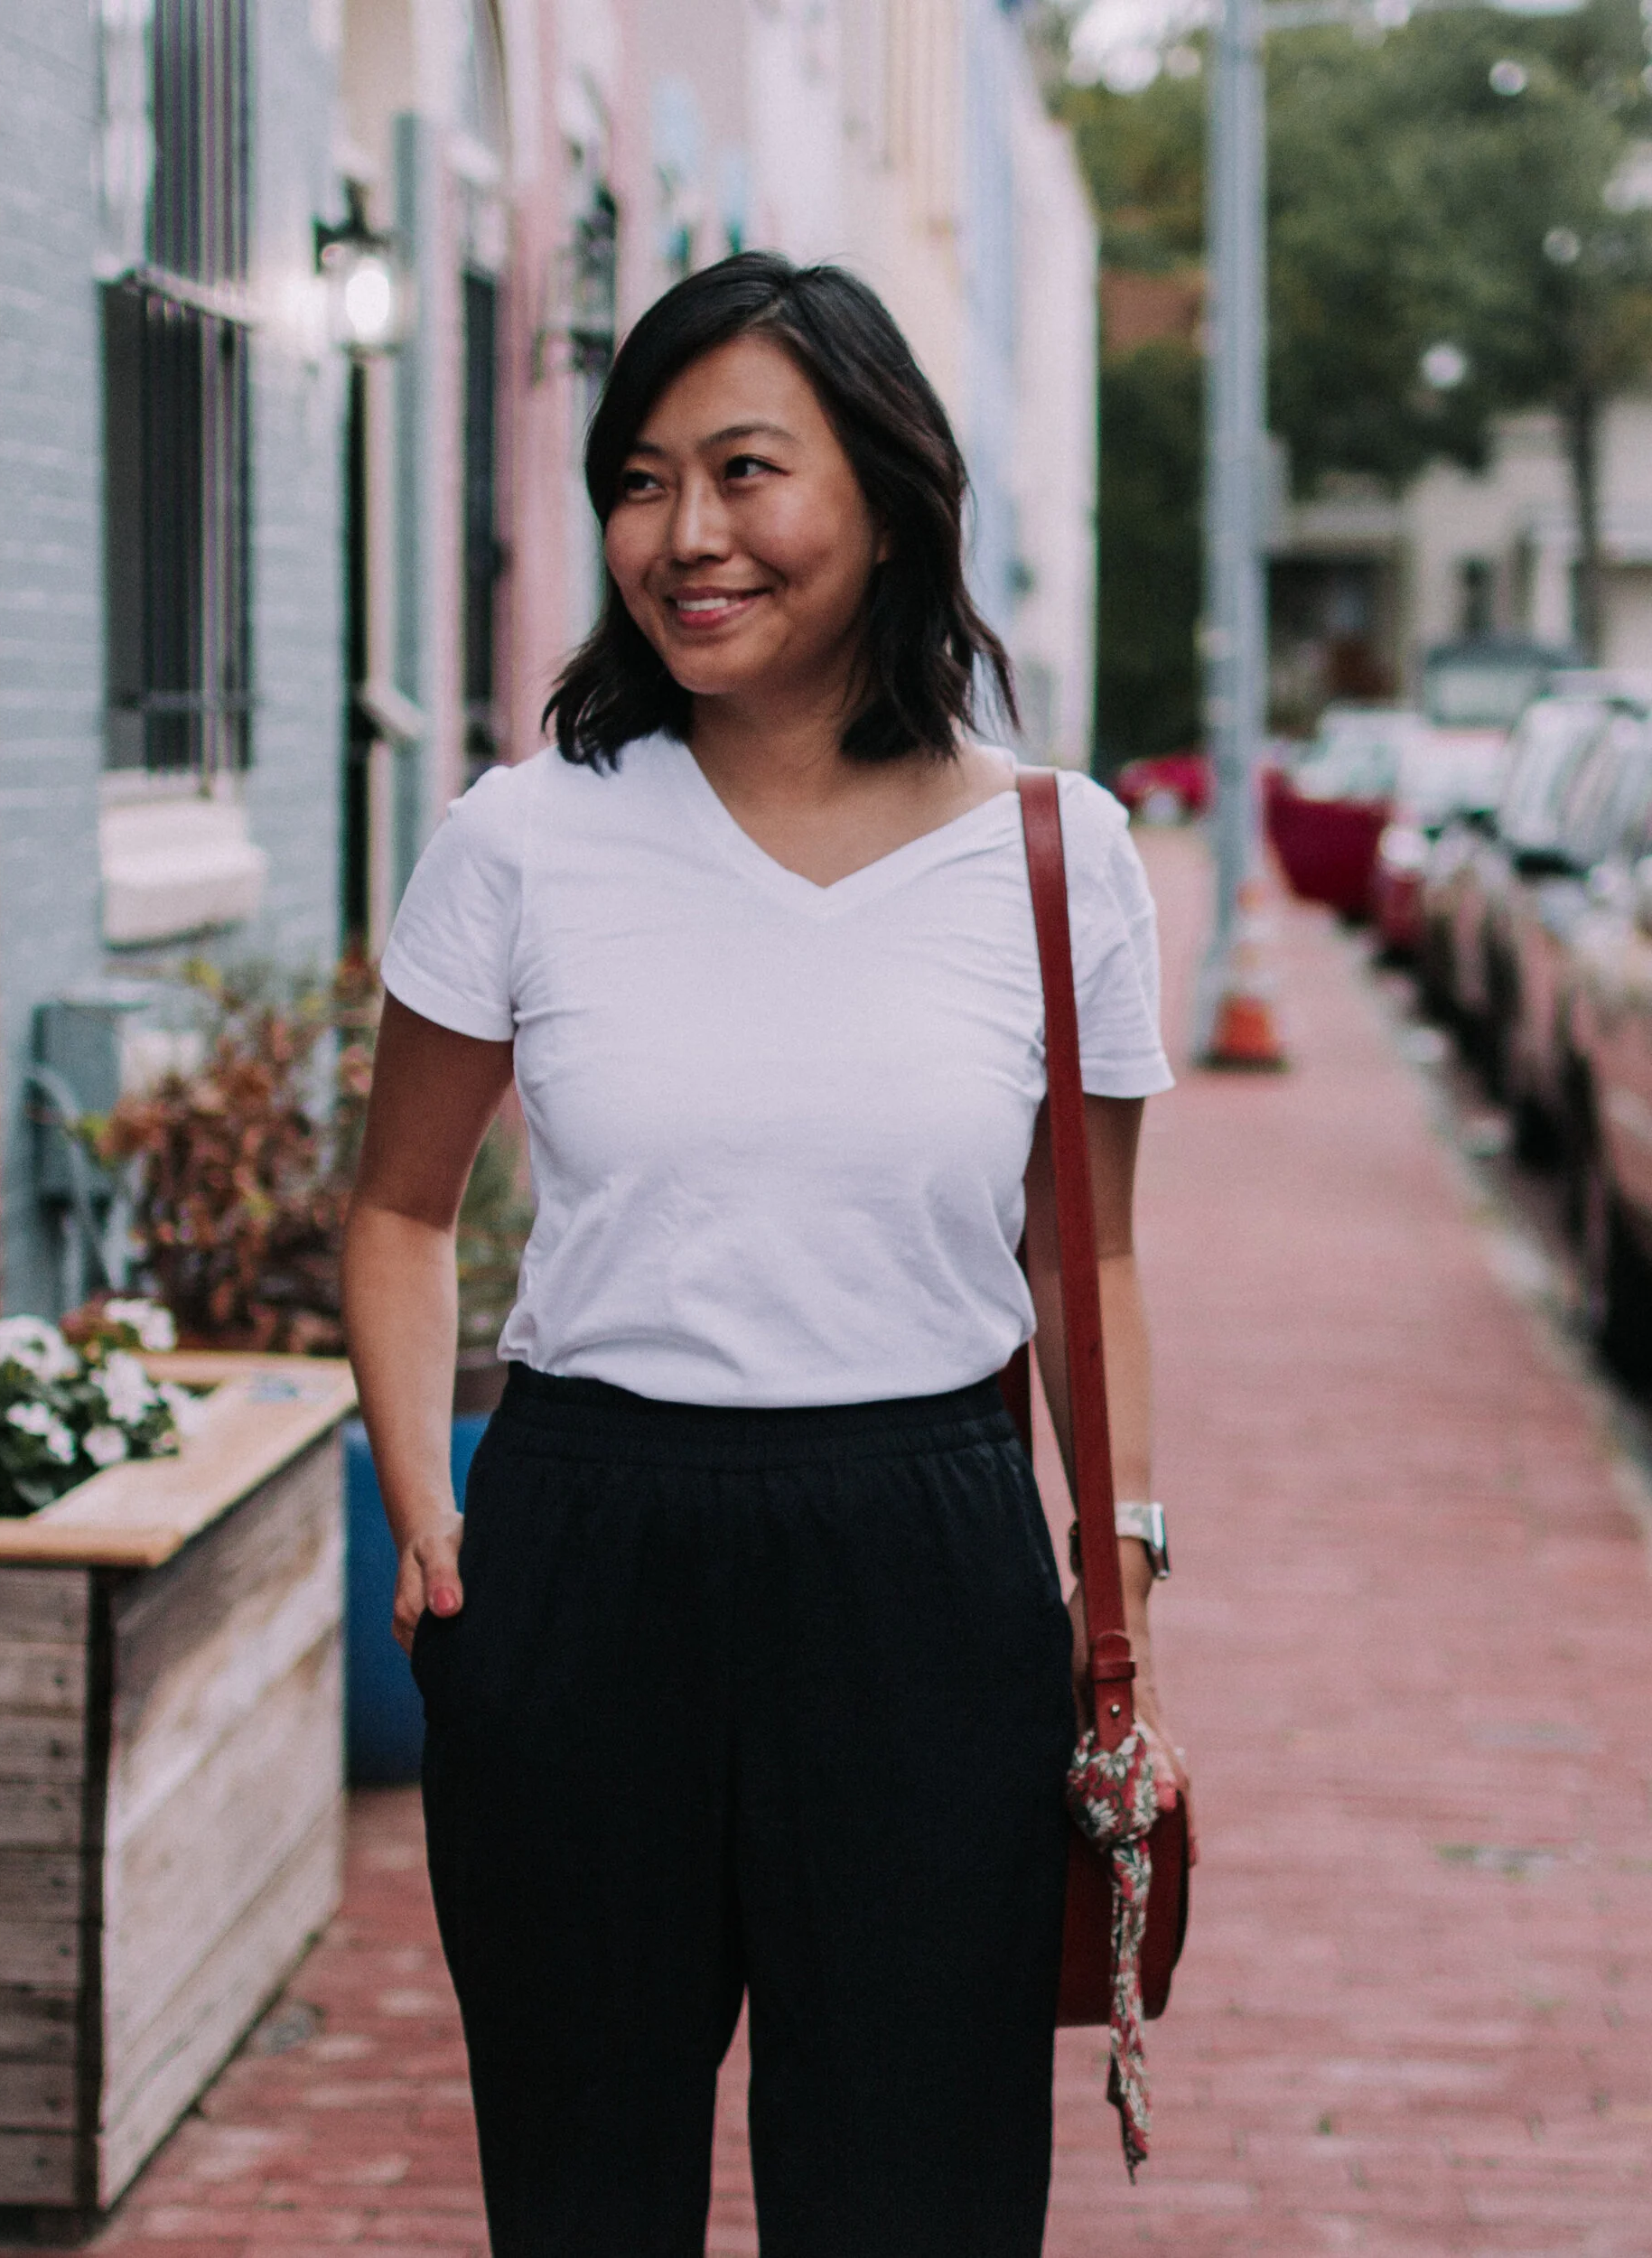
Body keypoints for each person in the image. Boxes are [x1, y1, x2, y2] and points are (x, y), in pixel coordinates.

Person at [341, 250, 1191, 2258]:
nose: (685, 536)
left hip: (924, 1561)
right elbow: (394, 1207)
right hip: (580, 1546)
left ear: (885, 496)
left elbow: (1088, 1267)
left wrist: (1120, 1575)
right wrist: (419, 1510)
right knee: (578, 2189)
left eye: (744, 471)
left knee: (917, 2193)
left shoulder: (1055, 857)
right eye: (639, 480)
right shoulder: (523, 839)